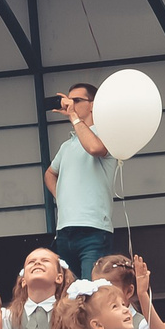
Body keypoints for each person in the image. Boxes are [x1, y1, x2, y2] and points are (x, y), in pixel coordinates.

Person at [45, 84, 119, 277]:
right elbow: (49, 174)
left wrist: (74, 117)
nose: (71, 104)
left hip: (93, 229)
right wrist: (61, 197)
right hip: (65, 229)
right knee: (69, 297)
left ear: (93, 105)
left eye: (77, 100)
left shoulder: (107, 135)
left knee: (91, 293)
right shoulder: (67, 145)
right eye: (69, 100)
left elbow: (95, 148)